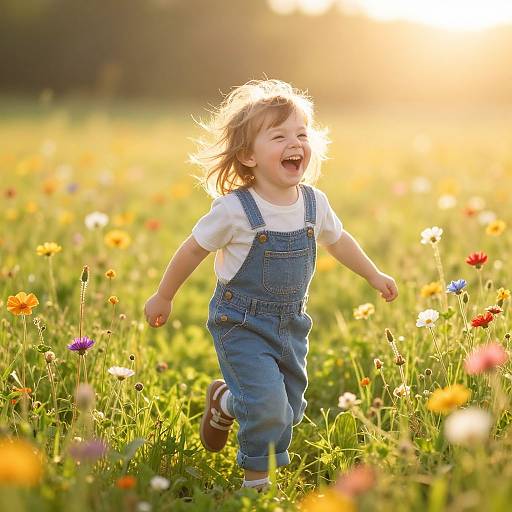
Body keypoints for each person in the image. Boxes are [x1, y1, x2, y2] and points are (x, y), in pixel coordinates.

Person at [144, 79, 398, 492]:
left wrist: (373, 274)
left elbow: (339, 241)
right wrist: (164, 294)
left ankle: (226, 401)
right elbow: (192, 250)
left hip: (291, 324)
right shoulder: (235, 210)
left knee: (289, 409)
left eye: (300, 134)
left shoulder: (315, 203)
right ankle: (256, 486)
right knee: (267, 407)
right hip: (240, 322)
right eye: (278, 136)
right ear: (248, 156)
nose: (294, 142)